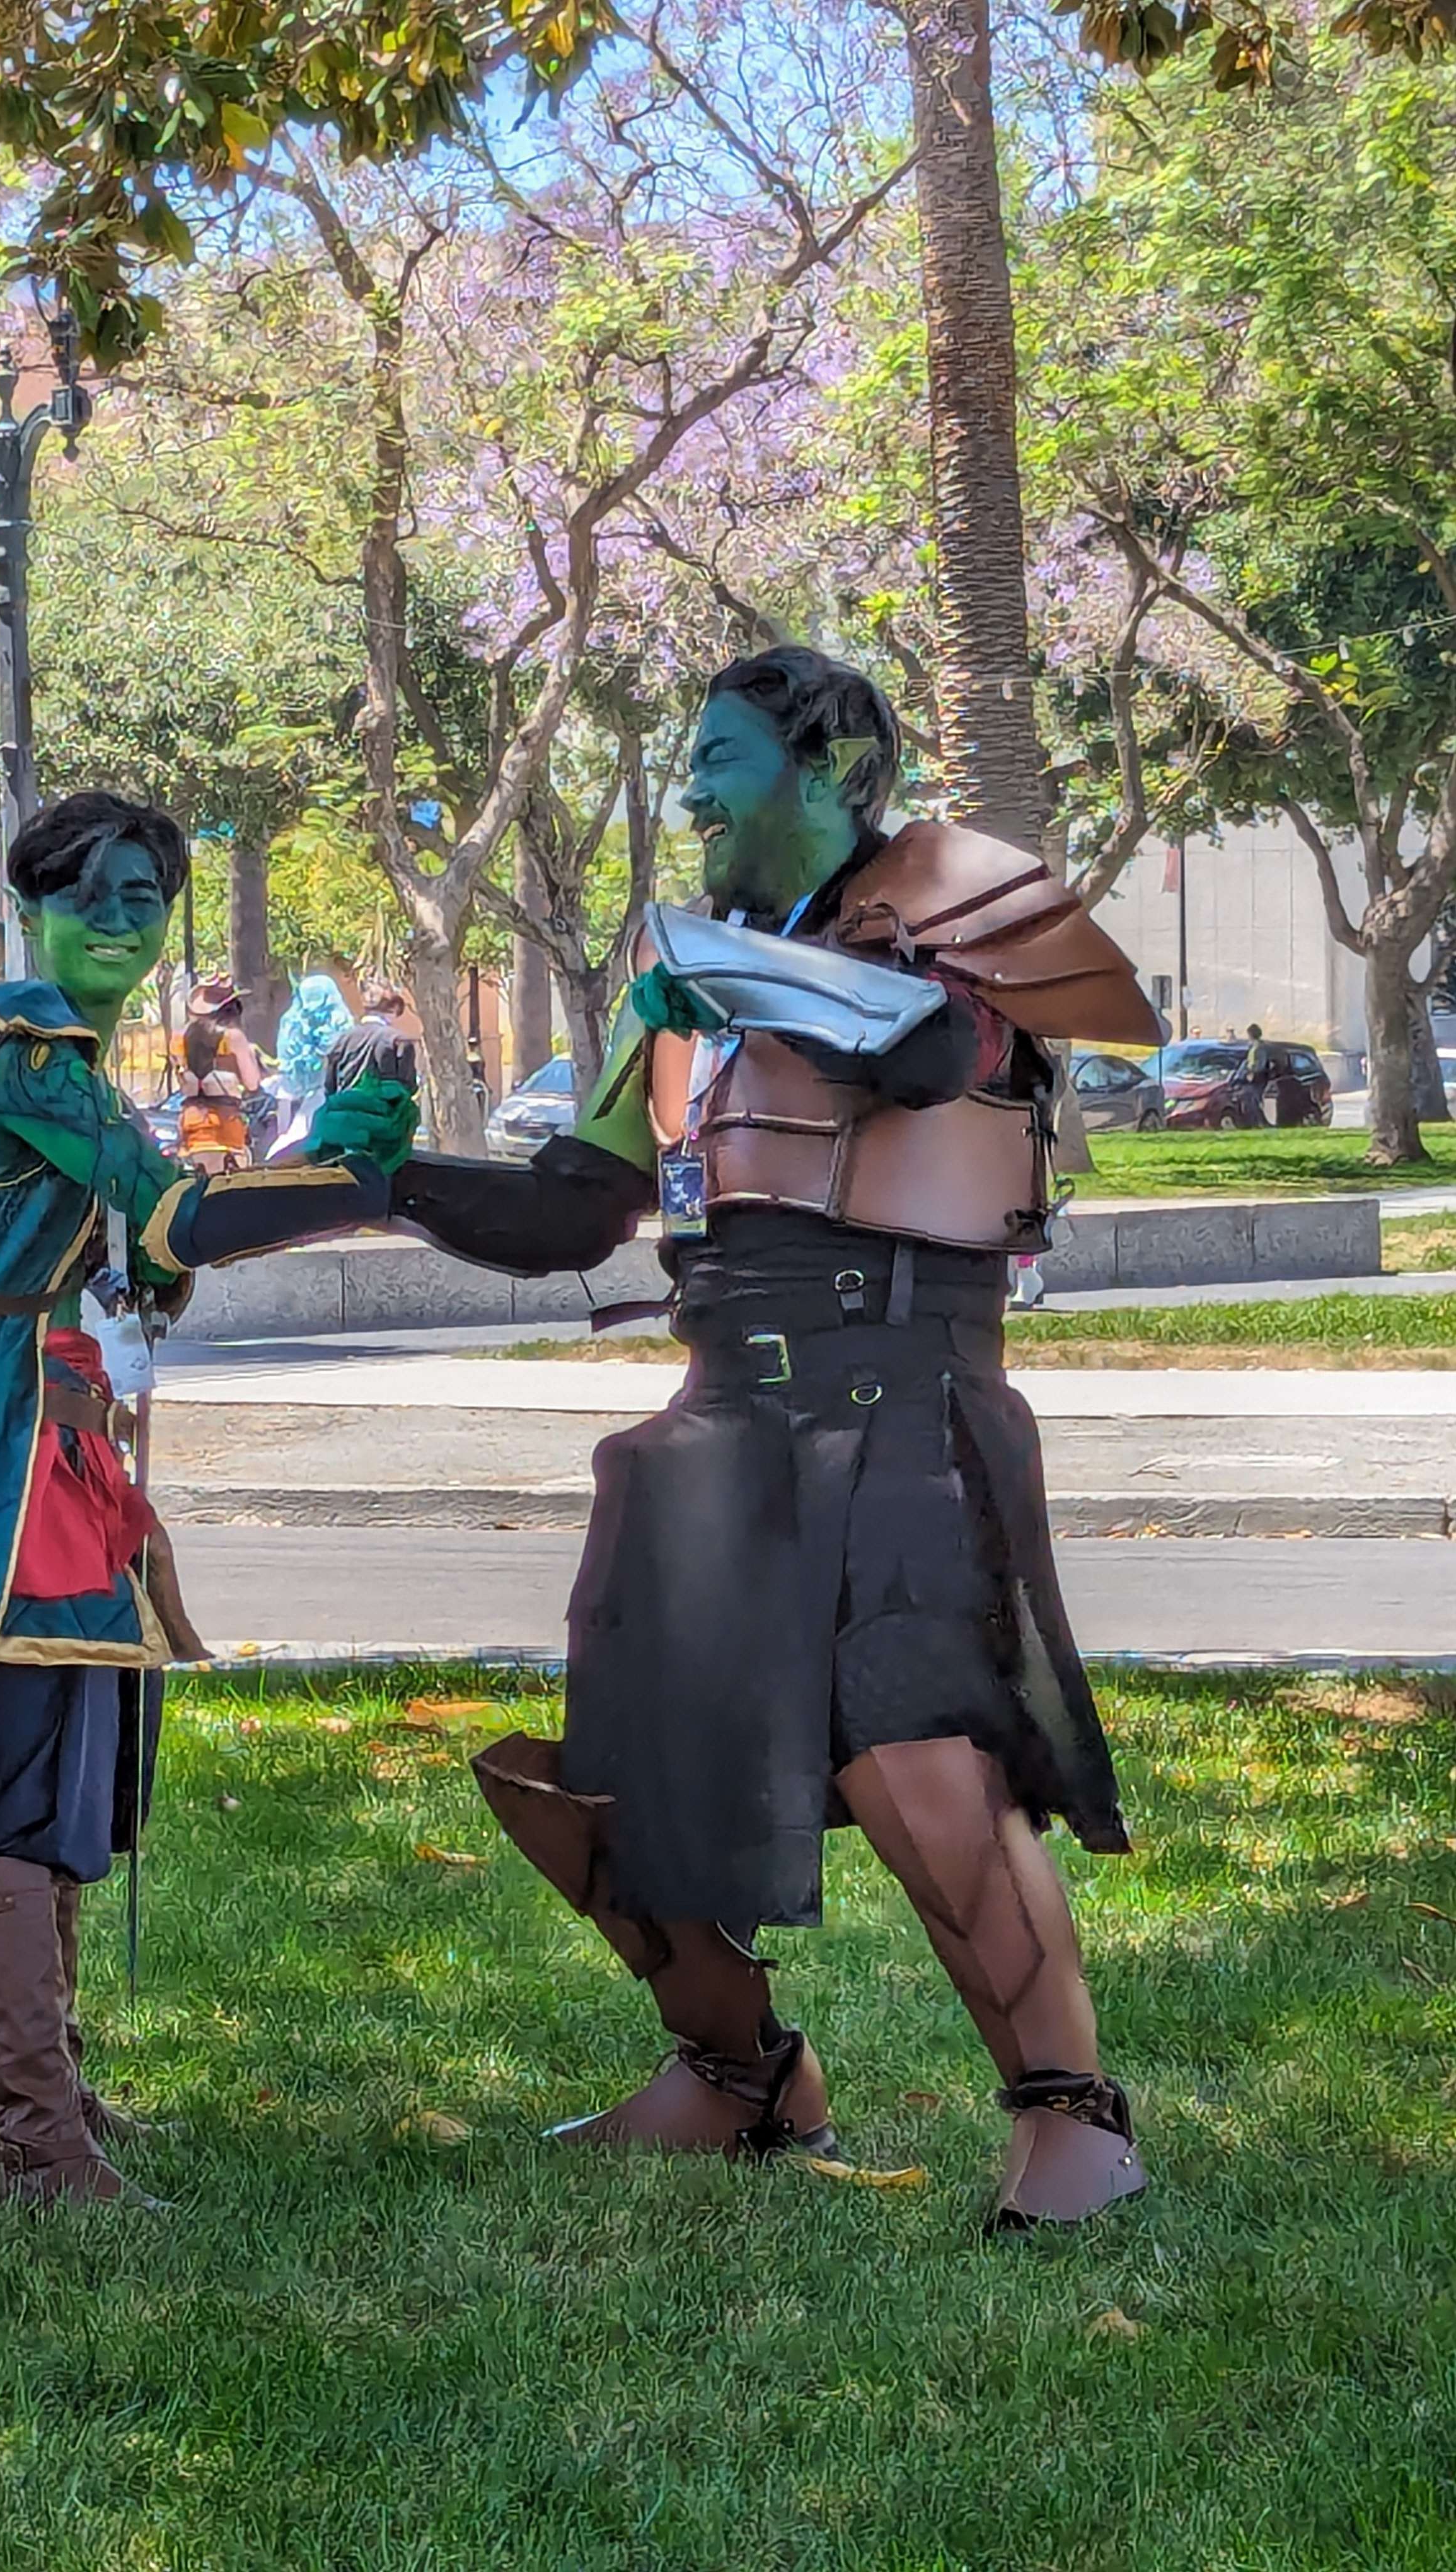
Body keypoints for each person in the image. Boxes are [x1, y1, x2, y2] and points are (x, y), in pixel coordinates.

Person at [388, 645, 1162, 2228]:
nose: (688, 789)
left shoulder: (953, 899)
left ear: (827, 767)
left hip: (900, 1387)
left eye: (719, 756)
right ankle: (735, 2074)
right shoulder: (695, 973)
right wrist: (380, 1174)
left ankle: (1071, 2111)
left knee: (915, 1754)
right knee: (623, 1763)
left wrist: (724, 976)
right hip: (725, 1403)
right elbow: (565, 1210)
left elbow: (929, 1054)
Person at [0, 794, 417, 2208]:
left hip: (38, 1427)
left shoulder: (57, 1059)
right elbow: (170, 1215)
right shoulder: (27, 1055)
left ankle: (57, 2097)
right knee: (10, 1771)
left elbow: (142, 1251)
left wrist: (182, 1247)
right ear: (36, 903)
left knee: (67, 1754)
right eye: (98, 893)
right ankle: (37, 2146)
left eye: (149, 897)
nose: (125, 917)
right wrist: (346, 1179)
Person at [178, 978, 262, 1173]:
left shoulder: (181, 1037)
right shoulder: (233, 1037)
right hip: (224, 1126)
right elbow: (252, 1083)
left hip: (190, 1123)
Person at [267, 972, 354, 1157]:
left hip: (295, 1105)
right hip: (331, 1109)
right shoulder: (343, 1024)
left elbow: (286, 1083)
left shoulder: (291, 1024)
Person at [324, 980, 421, 1098]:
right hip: (383, 1112)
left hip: (344, 1111)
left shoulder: (342, 1040)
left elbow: (330, 1087)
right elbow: (408, 1087)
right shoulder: (399, 1041)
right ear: (394, 1008)